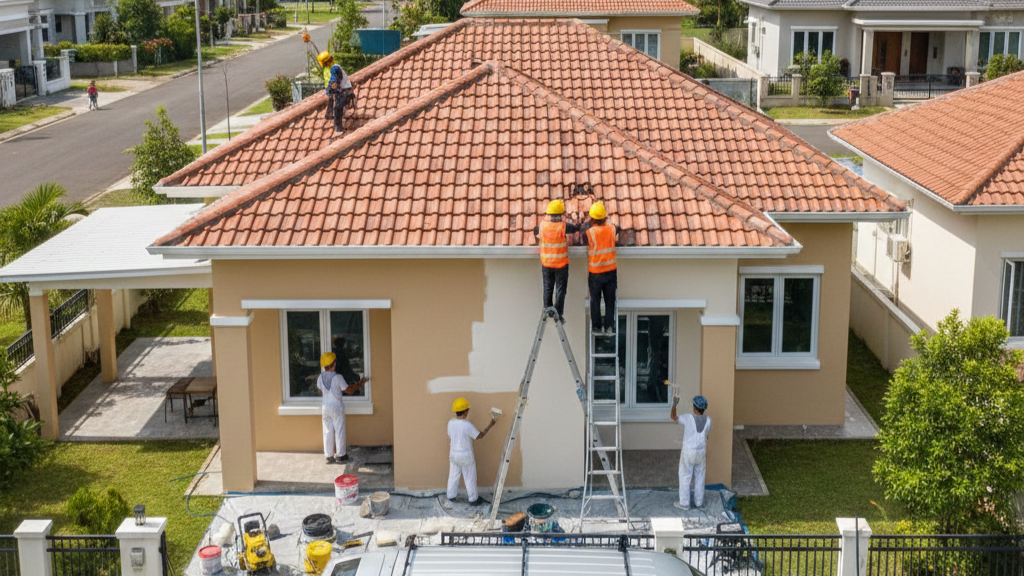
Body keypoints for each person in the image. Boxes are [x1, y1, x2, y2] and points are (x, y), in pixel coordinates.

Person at [317, 352, 367, 464]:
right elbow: (349, 390)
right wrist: (360, 383)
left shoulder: (320, 377)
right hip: (336, 407)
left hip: (325, 407)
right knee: (339, 429)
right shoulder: (338, 377)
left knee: (327, 430)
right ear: (334, 363)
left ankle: (329, 455)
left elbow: (320, 391)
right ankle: (341, 455)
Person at [533, 199, 578, 321]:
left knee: (548, 288)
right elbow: (574, 228)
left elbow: (536, 232)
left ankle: (547, 309)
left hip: (546, 264)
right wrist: (577, 221)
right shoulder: (563, 226)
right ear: (559, 215)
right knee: (560, 290)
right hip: (560, 264)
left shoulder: (542, 225)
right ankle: (558, 313)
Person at [447, 397, 496, 506]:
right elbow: (479, 436)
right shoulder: (467, 425)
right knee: (469, 477)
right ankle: (473, 499)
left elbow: (450, 435)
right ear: (465, 412)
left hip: (453, 454)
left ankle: (450, 496)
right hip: (465, 455)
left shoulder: (450, 423)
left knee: (453, 476)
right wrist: (490, 425)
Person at [671, 394, 712, 510]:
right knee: (700, 477)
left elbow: (673, 417)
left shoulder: (688, 418)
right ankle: (699, 502)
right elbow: (706, 436)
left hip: (688, 452)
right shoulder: (709, 420)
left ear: (694, 407)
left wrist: (674, 405)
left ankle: (684, 503)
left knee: (685, 476)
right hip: (701, 452)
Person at [584, 201, 617, 335]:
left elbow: (582, 237)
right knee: (610, 301)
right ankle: (609, 327)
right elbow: (618, 229)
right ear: (605, 218)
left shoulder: (590, 232)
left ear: (592, 219)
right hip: (610, 272)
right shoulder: (611, 229)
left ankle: (596, 327)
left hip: (595, 273)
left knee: (595, 301)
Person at [318, 51, 354, 133]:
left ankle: (338, 129)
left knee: (337, 108)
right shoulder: (329, 68)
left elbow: (334, 82)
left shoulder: (334, 68)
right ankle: (332, 119)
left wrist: (330, 89)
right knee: (334, 105)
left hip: (344, 92)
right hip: (340, 91)